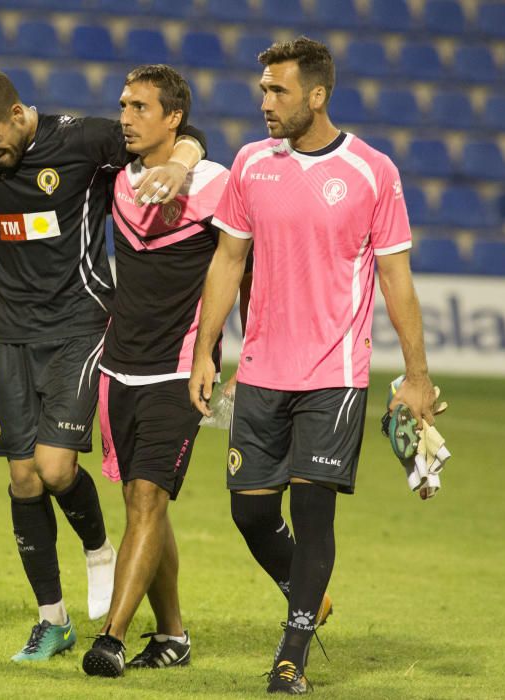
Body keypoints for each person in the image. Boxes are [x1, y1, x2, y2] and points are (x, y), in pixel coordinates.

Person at [188, 37, 439, 694]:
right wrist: (205, 349)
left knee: (313, 512)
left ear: (318, 94)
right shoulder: (250, 163)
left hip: (335, 376)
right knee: (248, 512)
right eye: (264, 89)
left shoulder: (371, 171)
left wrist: (416, 376)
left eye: (279, 90)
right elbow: (226, 262)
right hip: (262, 370)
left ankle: (291, 654)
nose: (265, 101)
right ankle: (309, 594)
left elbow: (396, 278)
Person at [0, 68, 206, 662]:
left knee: (57, 468)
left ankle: (96, 548)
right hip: (10, 334)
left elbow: (180, 134)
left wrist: (182, 163)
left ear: (17, 113)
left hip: (78, 329)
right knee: (22, 479)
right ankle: (52, 620)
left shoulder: (84, 141)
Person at [74, 65, 230, 678]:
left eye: (141, 107)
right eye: (123, 105)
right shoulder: (116, 178)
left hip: (178, 368)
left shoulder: (216, 184)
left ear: (174, 118)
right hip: (118, 366)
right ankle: (173, 635)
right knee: (145, 506)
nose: (126, 117)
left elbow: (240, 266)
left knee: (145, 500)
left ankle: (111, 637)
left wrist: (216, 354)